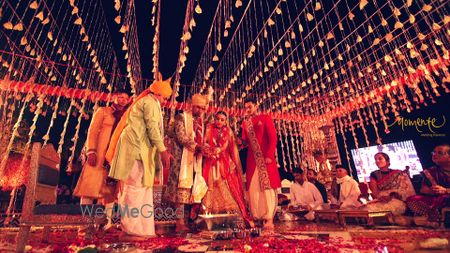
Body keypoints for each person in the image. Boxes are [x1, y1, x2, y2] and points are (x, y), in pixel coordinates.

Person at [106, 78, 173, 240]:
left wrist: (160, 150)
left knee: (143, 188)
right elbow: (152, 128)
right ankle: (131, 229)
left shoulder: (151, 103)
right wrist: (163, 151)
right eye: (164, 98)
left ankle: (143, 230)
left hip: (141, 150)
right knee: (134, 187)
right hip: (133, 148)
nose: (165, 102)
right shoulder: (149, 103)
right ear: (157, 93)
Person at [73, 90, 129, 229]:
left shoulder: (127, 117)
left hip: (114, 159)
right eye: (120, 97)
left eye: (126, 98)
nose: (123, 100)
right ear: (113, 98)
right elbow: (92, 131)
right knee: (89, 189)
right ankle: (85, 226)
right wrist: (91, 151)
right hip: (98, 156)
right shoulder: (103, 111)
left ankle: (103, 225)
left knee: (108, 192)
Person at [163, 93, 208, 231]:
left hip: (194, 160)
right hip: (180, 159)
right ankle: (179, 222)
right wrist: (198, 147)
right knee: (180, 192)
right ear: (191, 106)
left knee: (189, 192)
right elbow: (181, 137)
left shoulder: (200, 123)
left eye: (202, 108)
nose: (200, 111)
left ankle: (188, 221)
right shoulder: (181, 117)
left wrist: (204, 148)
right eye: (197, 107)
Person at [202, 111, 254, 227]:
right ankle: (209, 215)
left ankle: (229, 215)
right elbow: (204, 141)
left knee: (226, 185)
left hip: (224, 162)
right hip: (211, 161)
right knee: (210, 185)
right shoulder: (209, 128)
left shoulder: (228, 131)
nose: (219, 121)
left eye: (222, 120)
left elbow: (225, 146)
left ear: (226, 121)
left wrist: (218, 151)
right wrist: (208, 150)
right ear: (214, 119)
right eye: (218, 119)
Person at [241, 97, 281, 230]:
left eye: (250, 106)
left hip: (265, 158)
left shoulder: (265, 118)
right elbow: (244, 142)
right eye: (245, 107)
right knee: (253, 189)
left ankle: (269, 218)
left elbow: (273, 137)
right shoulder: (245, 123)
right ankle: (257, 217)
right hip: (252, 160)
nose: (248, 109)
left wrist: (270, 155)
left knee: (267, 187)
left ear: (256, 106)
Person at [407, 144, 450, 225]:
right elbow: (423, 189)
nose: (434, 155)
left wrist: (445, 190)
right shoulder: (430, 171)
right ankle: (437, 217)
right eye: (433, 153)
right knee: (412, 199)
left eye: (440, 153)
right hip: (439, 199)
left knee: (445, 198)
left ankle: (438, 217)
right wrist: (434, 190)